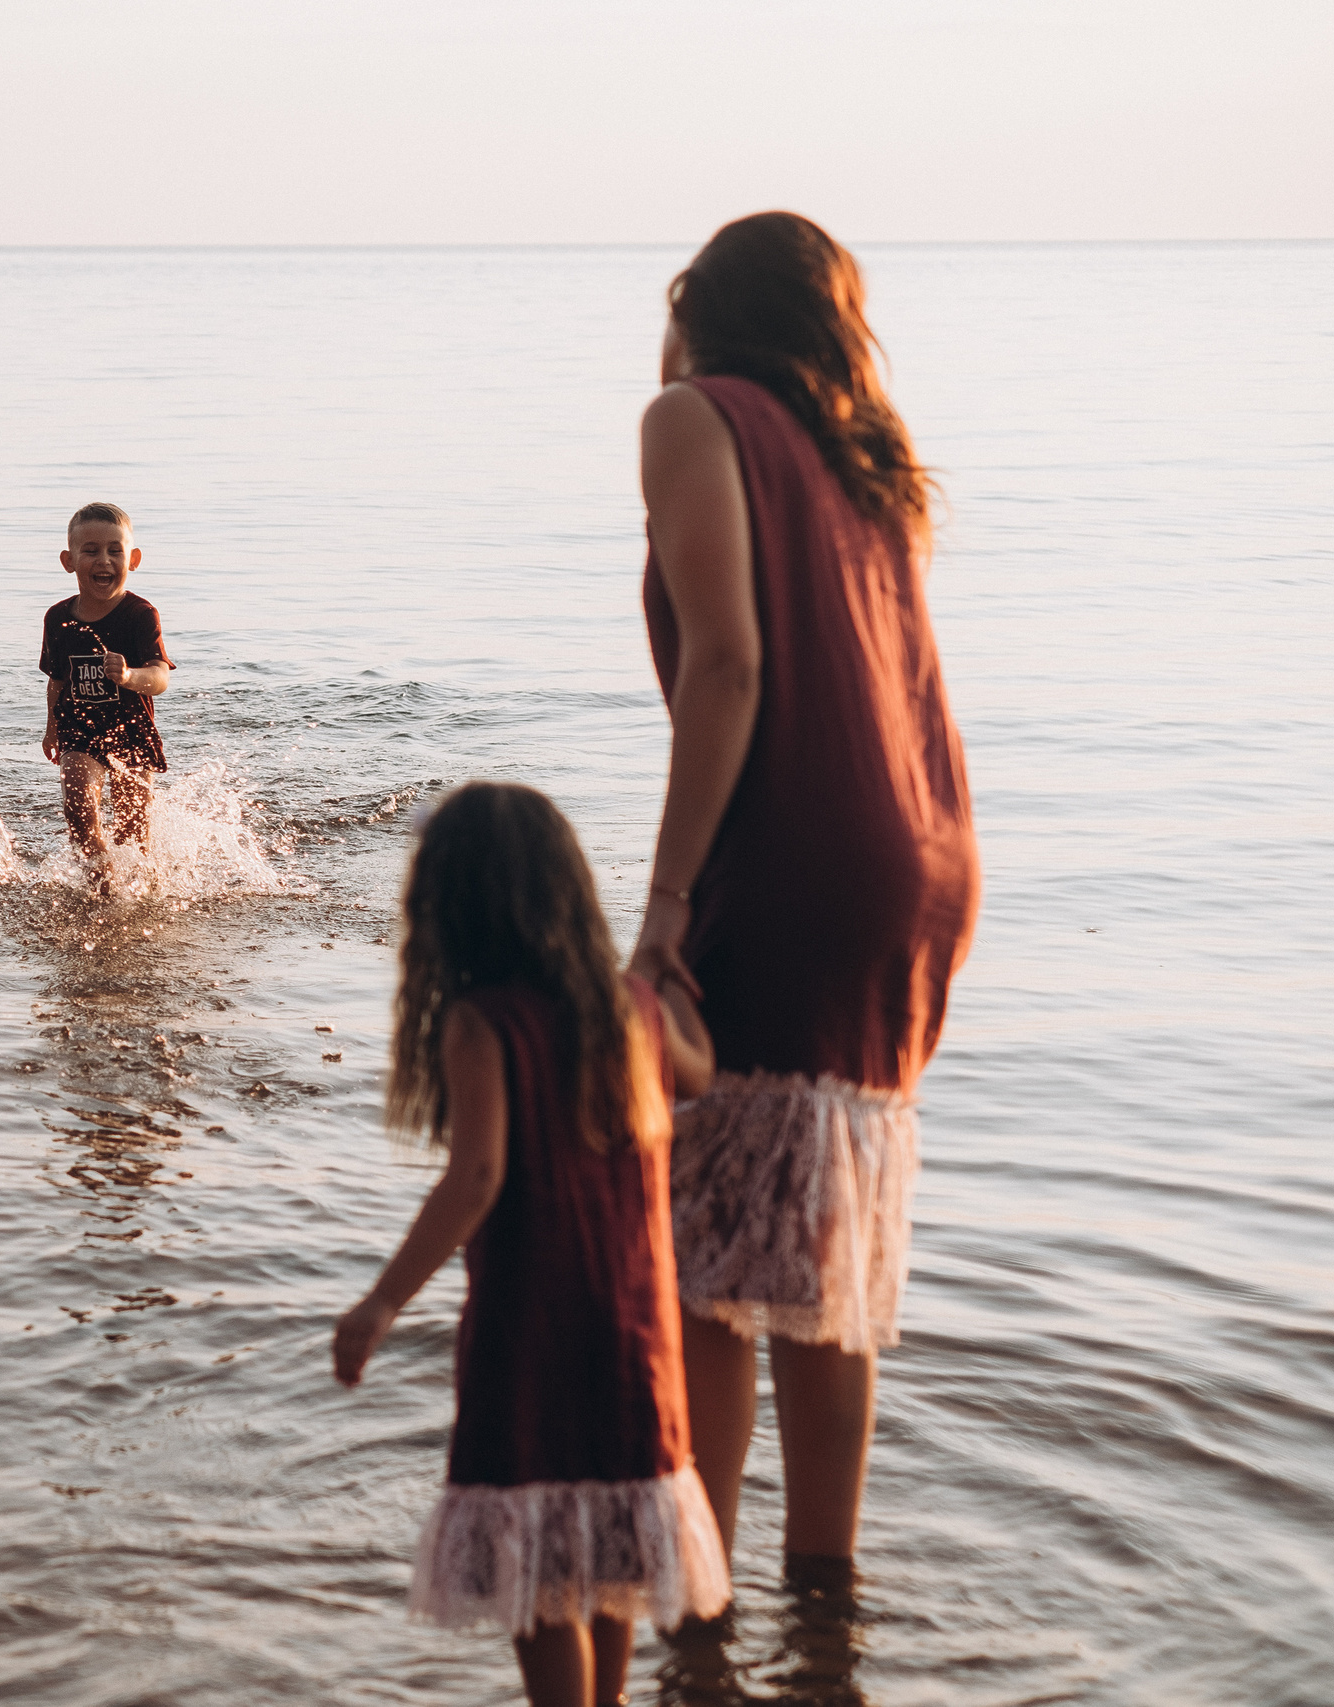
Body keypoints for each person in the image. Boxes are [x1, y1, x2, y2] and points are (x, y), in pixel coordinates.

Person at [627, 211, 982, 1583]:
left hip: (795, 851)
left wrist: (664, 906)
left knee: (708, 1256)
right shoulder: (870, 455)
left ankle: (702, 1603)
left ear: (700, 309)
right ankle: (826, 1598)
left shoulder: (693, 416)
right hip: (921, 858)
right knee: (821, 1248)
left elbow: (728, 667)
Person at [332, 782, 731, 1707]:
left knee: (541, 1568)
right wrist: (666, 981)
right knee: (610, 1544)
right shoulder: (630, 1009)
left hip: (533, 1330)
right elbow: (702, 1074)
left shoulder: (482, 1022)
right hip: (635, 1332)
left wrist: (381, 1302)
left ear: (453, 906)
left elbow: (477, 1177)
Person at [37, 502, 172, 882]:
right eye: (91, 550)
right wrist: (51, 729)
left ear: (134, 559)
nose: (104, 560)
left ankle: (137, 892)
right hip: (78, 731)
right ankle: (100, 883)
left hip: (131, 731)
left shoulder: (140, 615)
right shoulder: (58, 618)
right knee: (78, 808)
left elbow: (160, 678)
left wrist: (129, 676)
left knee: (133, 832)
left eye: (115, 550)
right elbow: (57, 680)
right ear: (69, 561)